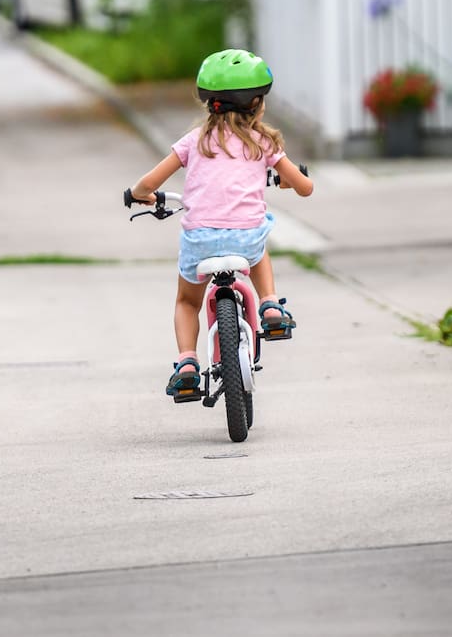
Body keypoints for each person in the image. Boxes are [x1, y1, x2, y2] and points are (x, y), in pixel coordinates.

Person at [127, 49, 314, 399]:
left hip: (200, 242)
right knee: (259, 242)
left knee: (186, 302)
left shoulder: (192, 142)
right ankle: (270, 303)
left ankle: (186, 364)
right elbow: (305, 187)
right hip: (245, 239)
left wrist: (142, 195)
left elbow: (147, 184)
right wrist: (290, 180)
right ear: (258, 103)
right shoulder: (265, 143)